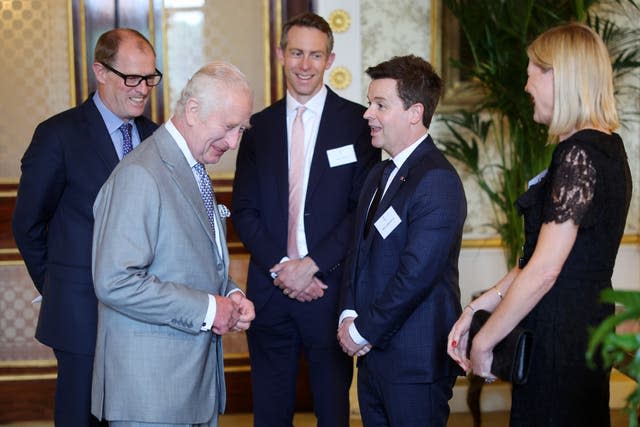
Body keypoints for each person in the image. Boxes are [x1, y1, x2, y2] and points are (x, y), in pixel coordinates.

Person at [447, 23, 632, 427]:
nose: (526, 84)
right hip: (583, 330)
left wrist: (485, 340)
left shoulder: (577, 154)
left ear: (561, 76)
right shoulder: (608, 148)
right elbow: (533, 263)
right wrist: (477, 308)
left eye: (533, 71)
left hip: (558, 339)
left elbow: (545, 272)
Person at [232, 12, 379, 427]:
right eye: (296, 53)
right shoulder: (256, 127)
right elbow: (244, 208)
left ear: (330, 60)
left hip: (328, 290)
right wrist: (284, 269)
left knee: (333, 412)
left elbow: (361, 210)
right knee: (271, 412)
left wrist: (311, 267)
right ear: (281, 54)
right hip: (270, 290)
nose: (305, 64)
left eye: (315, 55)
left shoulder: (358, 124)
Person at [90, 61, 255, 426]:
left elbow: (189, 260)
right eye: (228, 128)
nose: (233, 143)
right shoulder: (141, 174)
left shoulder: (193, 168)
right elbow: (114, 281)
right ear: (192, 111)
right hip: (150, 395)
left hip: (190, 388)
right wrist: (210, 310)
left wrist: (231, 295)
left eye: (241, 129)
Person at [12, 28, 159, 427]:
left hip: (145, 317)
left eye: (149, 77)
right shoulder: (58, 135)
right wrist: (58, 287)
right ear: (101, 71)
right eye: (131, 77)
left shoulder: (156, 137)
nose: (142, 89)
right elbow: (27, 224)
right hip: (80, 314)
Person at [337, 55, 467, 427]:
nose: (368, 114)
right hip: (375, 357)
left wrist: (362, 331)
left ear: (415, 113)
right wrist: (349, 314)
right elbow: (358, 253)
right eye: (369, 102)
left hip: (414, 363)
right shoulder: (379, 173)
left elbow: (416, 276)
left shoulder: (437, 180)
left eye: (380, 104)